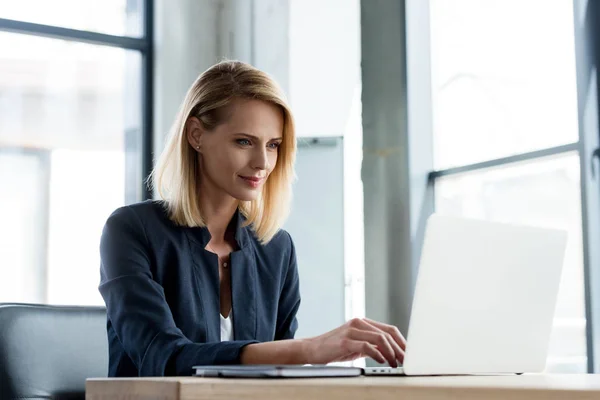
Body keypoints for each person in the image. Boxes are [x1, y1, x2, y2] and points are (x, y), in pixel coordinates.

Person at [98, 60, 406, 377]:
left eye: (273, 145)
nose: (262, 162)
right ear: (196, 136)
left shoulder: (277, 249)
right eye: (244, 141)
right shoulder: (131, 230)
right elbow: (162, 357)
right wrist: (310, 350)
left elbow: (277, 378)